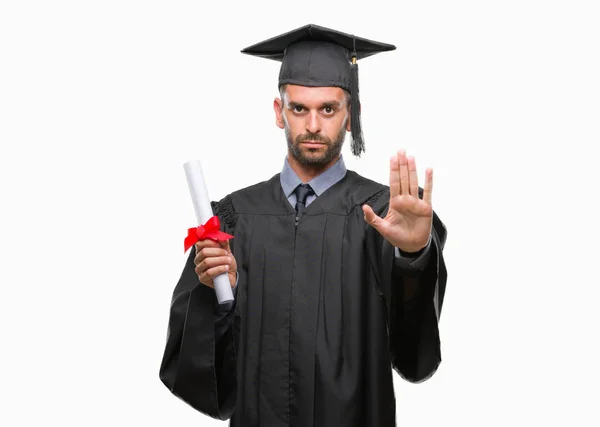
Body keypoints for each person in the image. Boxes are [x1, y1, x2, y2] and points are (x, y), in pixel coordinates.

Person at [159, 24, 448, 427]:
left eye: (328, 109)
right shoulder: (233, 219)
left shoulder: (382, 215)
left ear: (351, 114)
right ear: (280, 113)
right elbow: (204, 384)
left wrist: (414, 256)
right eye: (299, 108)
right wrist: (215, 295)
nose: (313, 125)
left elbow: (414, 360)